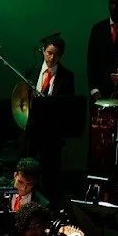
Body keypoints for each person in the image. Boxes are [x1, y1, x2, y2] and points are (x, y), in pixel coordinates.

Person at [20, 35, 76, 191]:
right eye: (49, 52)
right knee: (27, 170)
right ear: (43, 51)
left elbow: (68, 107)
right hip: (31, 130)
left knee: (50, 175)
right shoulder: (31, 70)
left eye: (56, 54)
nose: (52, 57)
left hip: (51, 133)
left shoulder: (67, 77)